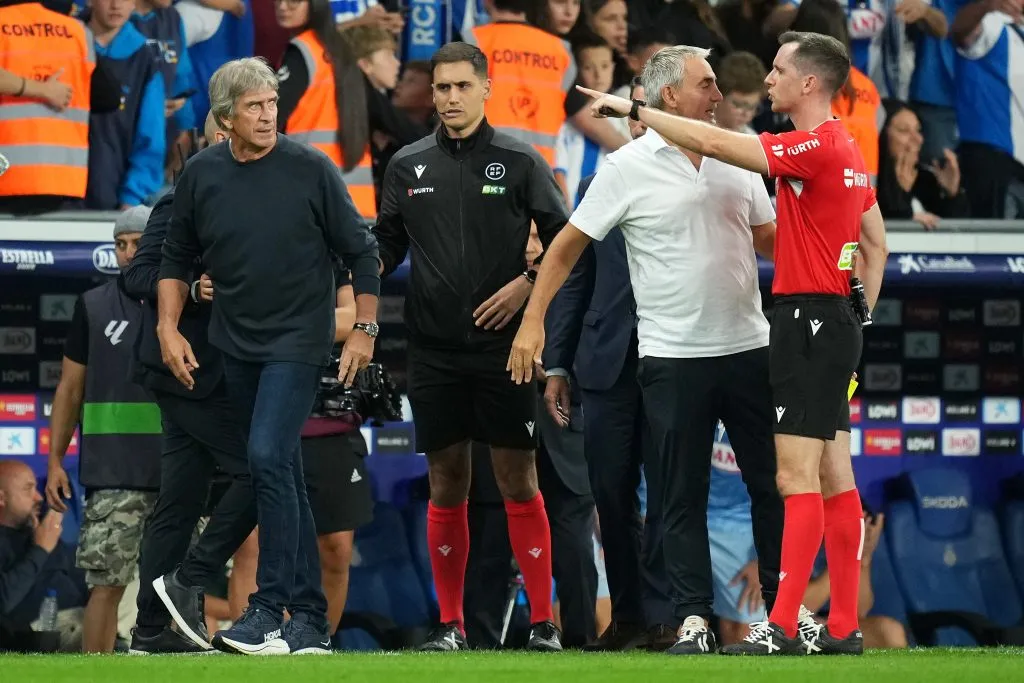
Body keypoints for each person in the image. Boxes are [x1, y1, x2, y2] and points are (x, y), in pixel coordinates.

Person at [563, 29, 890, 655]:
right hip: (827, 324)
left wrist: (634, 109)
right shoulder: (846, 147)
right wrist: (858, 319)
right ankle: (841, 625)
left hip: (801, 323)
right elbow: (875, 244)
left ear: (810, 84)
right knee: (832, 475)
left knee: (794, 479)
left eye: (777, 70)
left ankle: (783, 625)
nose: (764, 81)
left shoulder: (807, 146)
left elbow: (717, 142)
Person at [507, 45, 785, 656]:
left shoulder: (738, 156)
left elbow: (771, 239)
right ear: (669, 98)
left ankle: (779, 616)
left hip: (745, 346)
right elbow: (567, 255)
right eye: (707, 85)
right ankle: (675, 619)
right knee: (658, 493)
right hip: (661, 355)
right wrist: (538, 333)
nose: (721, 96)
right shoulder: (623, 166)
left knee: (764, 484)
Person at [157, 56, 380, 656]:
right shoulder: (201, 173)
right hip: (236, 343)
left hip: (297, 342)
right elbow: (176, 256)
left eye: (272, 104)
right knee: (276, 470)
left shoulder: (311, 168)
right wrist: (168, 327)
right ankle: (306, 620)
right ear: (225, 118)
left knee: (264, 455)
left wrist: (364, 329)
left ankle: (265, 609)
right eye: (254, 106)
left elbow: (363, 251)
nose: (267, 115)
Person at [373, 41, 569, 652]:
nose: (450, 98)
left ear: (487, 89)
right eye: (441, 88)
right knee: (446, 479)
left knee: (517, 478)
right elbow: (386, 245)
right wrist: (353, 273)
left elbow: (566, 242)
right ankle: (451, 625)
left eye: (461, 87)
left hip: (503, 351)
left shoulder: (519, 159)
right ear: (430, 93)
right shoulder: (407, 164)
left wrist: (528, 284)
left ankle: (542, 622)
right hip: (432, 350)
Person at [542, 78, 675, 653]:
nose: (639, 120)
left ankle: (672, 617)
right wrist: (558, 365)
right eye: (633, 111)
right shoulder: (598, 182)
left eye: (649, 109)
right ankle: (628, 617)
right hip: (605, 363)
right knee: (612, 496)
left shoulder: (704, 179)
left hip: (675, 357)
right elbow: (576, 280)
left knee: (672, 494)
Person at [120, 113, 258, 655]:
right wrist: (194, 289)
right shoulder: (179, 199)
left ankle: (150, 630)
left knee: (179, 503)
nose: (227, 144)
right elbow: (135, 276)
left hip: (223, 373)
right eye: (219, 136)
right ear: (207, 140)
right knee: (262, 470)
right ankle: (189, 578)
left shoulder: (259, 200)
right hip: (183, 372)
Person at [44, 207, 163, 653]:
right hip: (114, 473)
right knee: (106, 584)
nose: (129, 253)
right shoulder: (93, 306)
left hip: (182, 472)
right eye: (120, 244)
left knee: (182, 589)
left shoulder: (189, 301)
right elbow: (70, 389)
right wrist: (55, 460)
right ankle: (96, 674)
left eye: (138, 242)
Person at [467, 0, 628, 166]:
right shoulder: (558, 51)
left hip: (480, 166)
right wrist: (633, 151)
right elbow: (585, 115)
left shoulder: (472, 42)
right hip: (536, 173)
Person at [0, 0, 94, 214]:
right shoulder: (77, 31)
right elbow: (107, 95)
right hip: (61, 177)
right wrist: (43, 89)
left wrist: (36, 88)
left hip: (6, 174)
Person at [83, 0, 167, 209]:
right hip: (56, 190)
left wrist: (132, 195)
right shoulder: (63, 46)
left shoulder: (144, 59)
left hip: (111, 196)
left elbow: (151, 135)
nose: (116, 5)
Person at [0, 461, 88, 652]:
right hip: (31, 634)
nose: (38, 497)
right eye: (27, 489)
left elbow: (78, 577)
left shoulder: (38, 532)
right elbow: (3, 600)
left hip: (76, 619)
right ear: (1, 498)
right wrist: (40, 549)